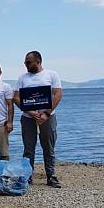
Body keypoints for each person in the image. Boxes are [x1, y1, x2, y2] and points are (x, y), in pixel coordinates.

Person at [13, 51, 63, 188]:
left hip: (48, 117)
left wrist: (46, 113)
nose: (26, 65)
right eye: (25, 63)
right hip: (28, 118)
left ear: (38, 61)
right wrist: (29, 112)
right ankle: (28, 176)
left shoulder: (52, 74)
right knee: (28, 149)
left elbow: (58, 94)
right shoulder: (22, 77)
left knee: (48, 147)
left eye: (28, 62)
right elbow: (16, 97)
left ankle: (51, 176)